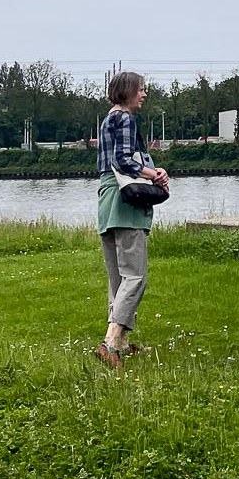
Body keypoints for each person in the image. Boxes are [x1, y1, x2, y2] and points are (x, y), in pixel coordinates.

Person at [94, 70, 169, 370]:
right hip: (125, 201)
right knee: (135, 276)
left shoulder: (107, 119)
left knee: (118, 278)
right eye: (141, 89)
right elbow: (124, 160)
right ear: (127, 91)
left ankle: (122, 343)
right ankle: (111, 342)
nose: (144, 94)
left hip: (106, 199)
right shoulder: (125, 118)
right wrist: (155, 174)